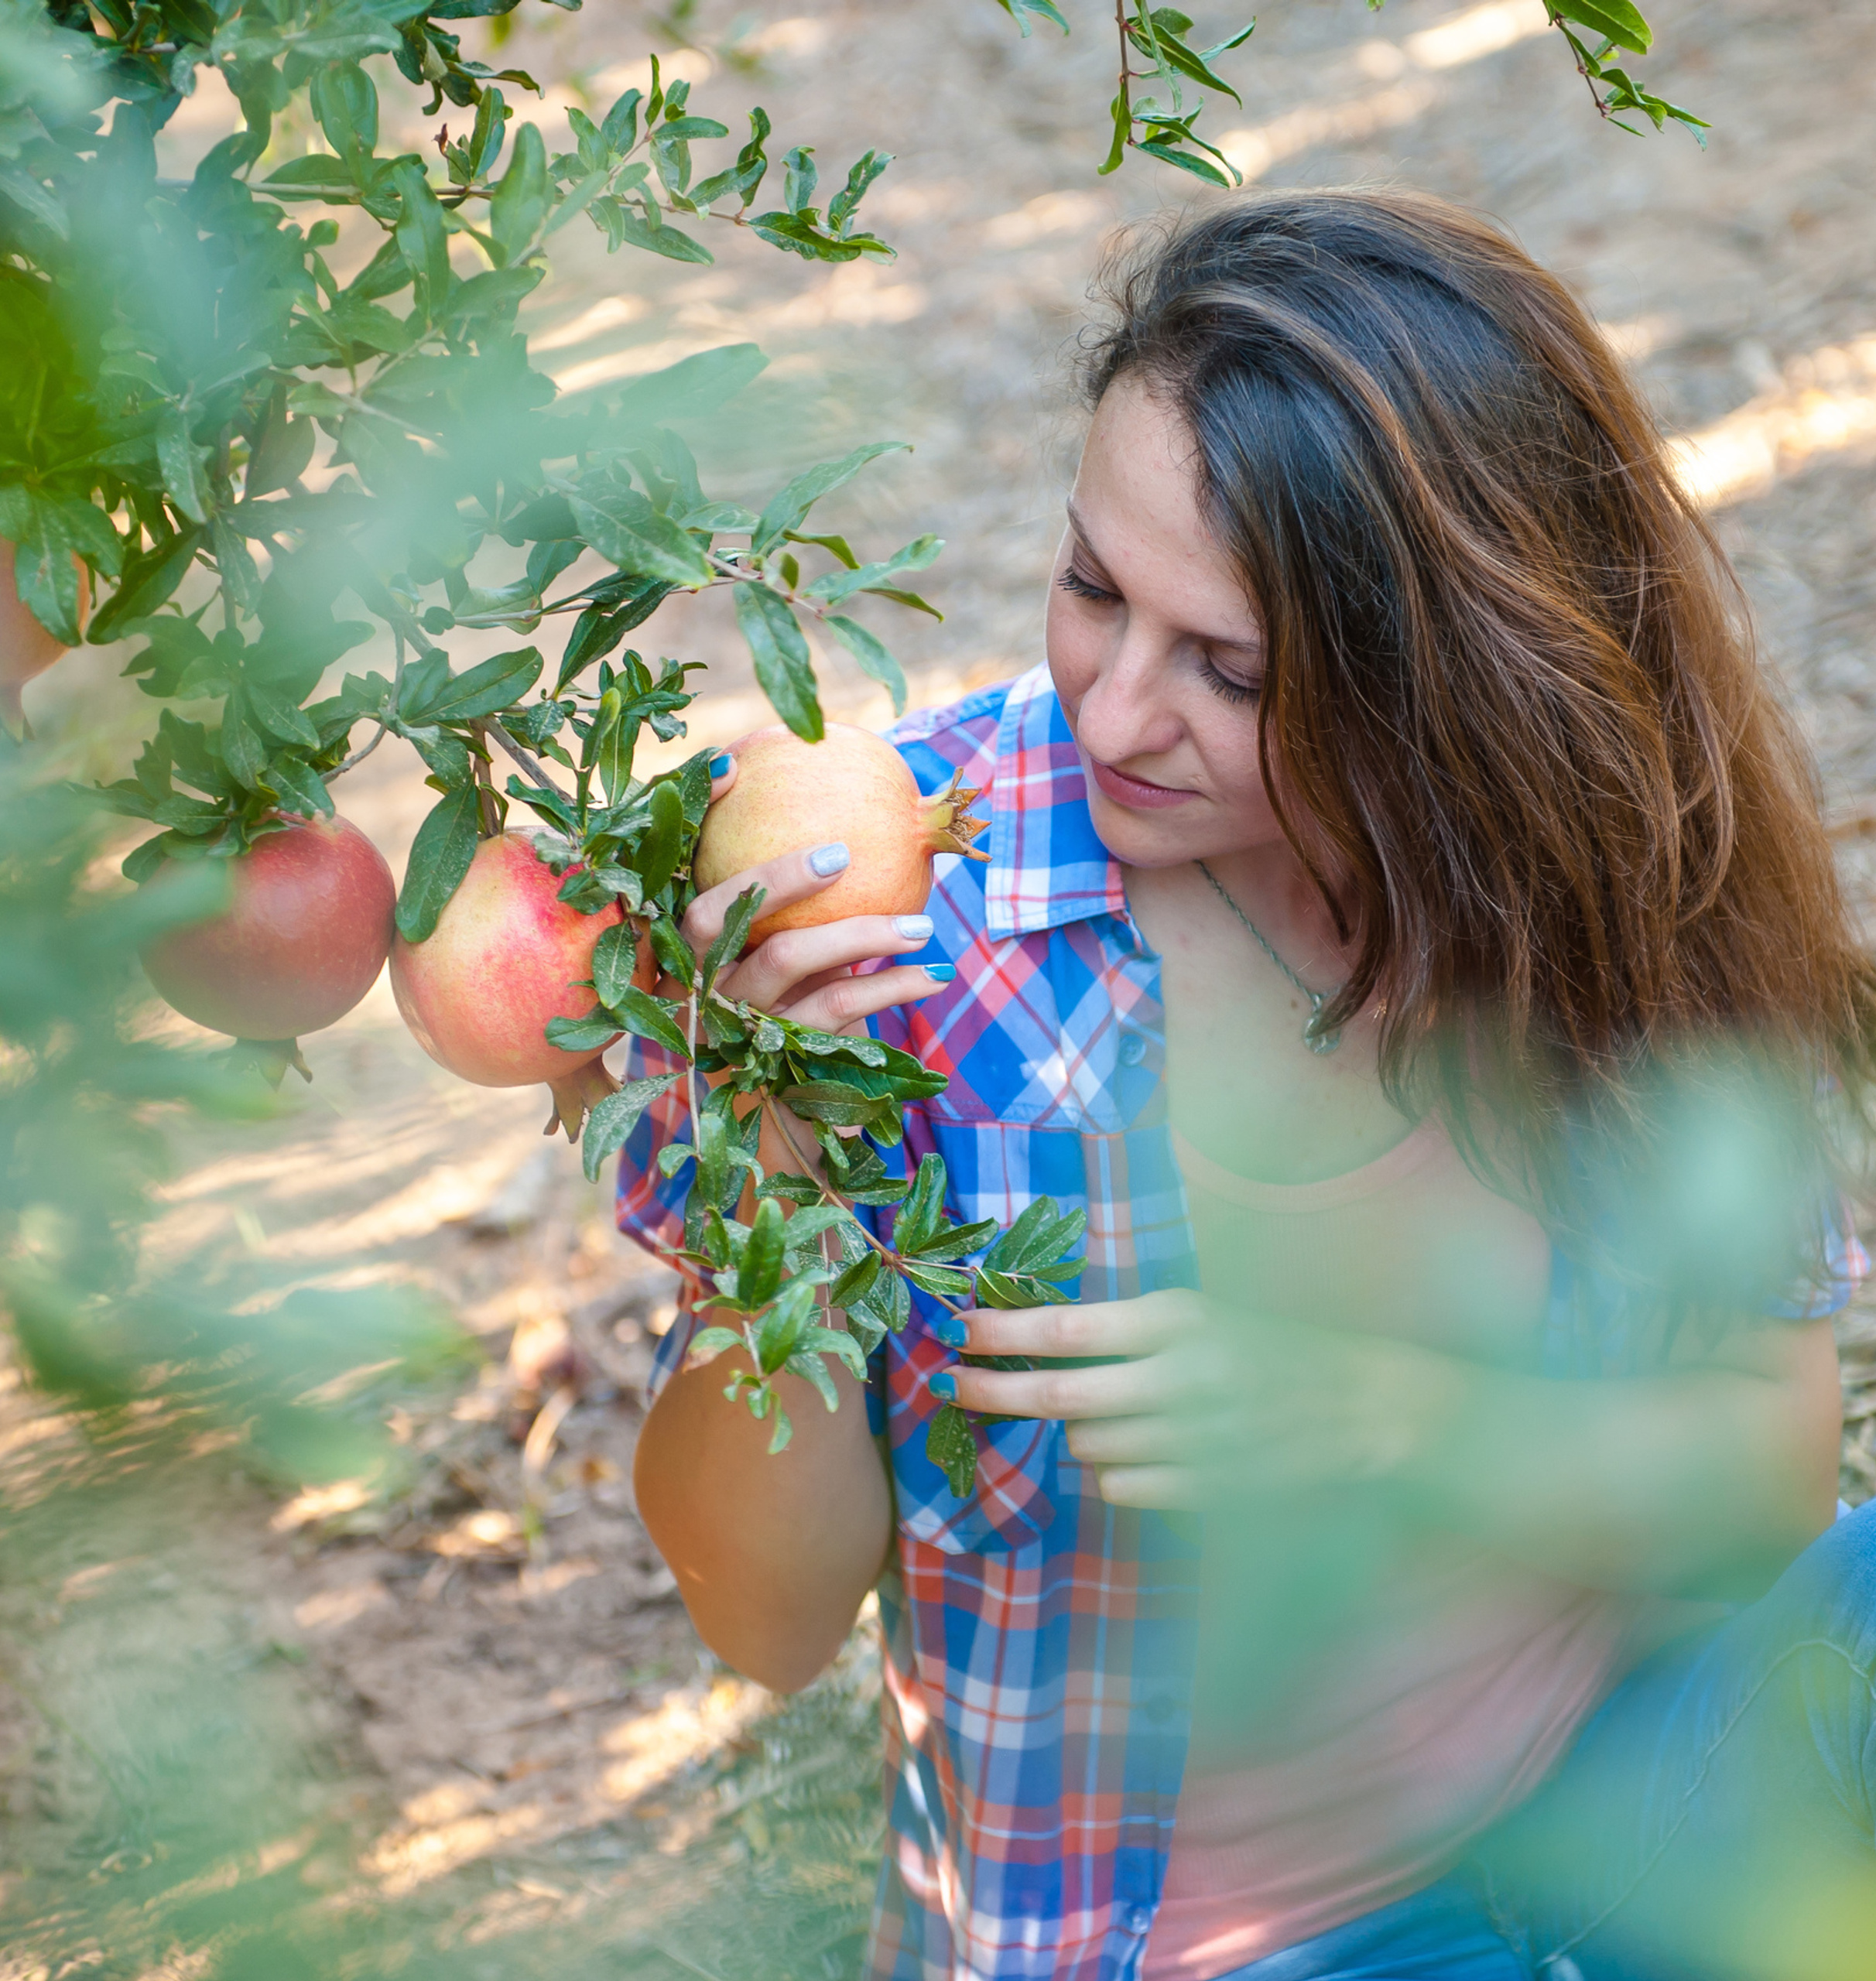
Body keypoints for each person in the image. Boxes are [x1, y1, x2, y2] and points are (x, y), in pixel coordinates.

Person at [617, 188, 1876, 1981]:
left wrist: (1374, 1420)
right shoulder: (913, 926)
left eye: (1230, 668)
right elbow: (761, 1615)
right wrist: (773, 1152)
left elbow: (1755, 1481)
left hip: (1630, 1768)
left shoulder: (1601, 875)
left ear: (1454, 675)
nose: (1114, 712)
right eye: (1088, 590)